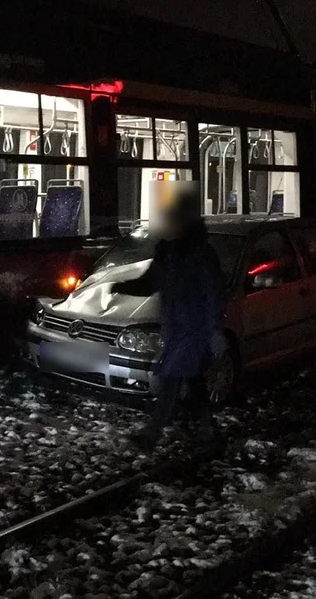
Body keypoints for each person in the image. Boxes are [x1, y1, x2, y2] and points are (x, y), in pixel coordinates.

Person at [113, 187, 226, 449]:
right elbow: (150, 283)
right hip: (175, 330)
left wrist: (215, 333)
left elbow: (212, 295)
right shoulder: (166, 252)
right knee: (194, 384)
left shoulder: (201, 254)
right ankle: (209, 430)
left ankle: (151, 436)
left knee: (170, 380)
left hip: (194, 331)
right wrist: (120, 287)